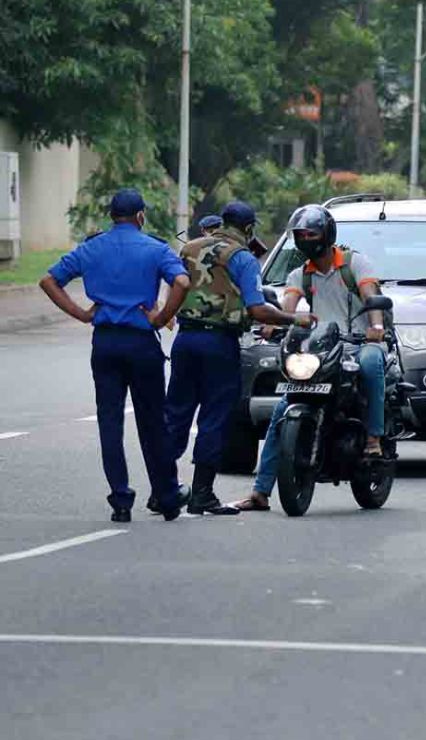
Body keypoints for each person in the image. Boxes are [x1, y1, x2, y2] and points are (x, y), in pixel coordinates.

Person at [38, 188, 191, 522]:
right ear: (140, 216)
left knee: (110, 422)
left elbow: (48, 280)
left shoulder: (92, 248)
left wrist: (81, 313)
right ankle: (166, 495)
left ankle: (120, 499)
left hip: (105, 343)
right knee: (153, 422)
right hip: (141, 343)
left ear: (111, 216)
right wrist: (162, 317)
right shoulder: (155, 248)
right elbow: (181, 282)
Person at [162, 202, 314, 516]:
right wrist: (293, 319)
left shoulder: (189, 248)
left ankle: (162, 489)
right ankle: (202, 493)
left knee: (176, 413)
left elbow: (175, 289)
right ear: (247, 228)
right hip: (218, 343)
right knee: (215, 416)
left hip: (185, 340)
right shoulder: (242, 258)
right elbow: (257, 309)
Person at [233, 204, 386, 512]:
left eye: (310, 233)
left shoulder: (355, 263)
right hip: (322, 349)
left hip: (357, 343)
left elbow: (371, 297)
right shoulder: (298, 274)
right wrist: (272, 324)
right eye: (300, 234)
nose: (305, 239)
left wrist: (377, 327)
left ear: (326, 235)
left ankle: (373, 437)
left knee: (372, 364)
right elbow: (287, 308)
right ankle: (260, 492)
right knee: (282, 410)